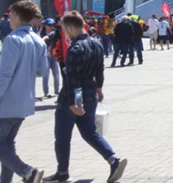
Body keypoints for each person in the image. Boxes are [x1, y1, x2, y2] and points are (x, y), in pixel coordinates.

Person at [43, 11, 126, 183]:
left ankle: (63, 172)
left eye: (65, 29)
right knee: (90, 132)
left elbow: (73, 79)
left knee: (62, 137)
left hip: (72, 98)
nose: (64, 33)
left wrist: (75, 102)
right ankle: (113, 159)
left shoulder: (75, 48)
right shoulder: (96, 44)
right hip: (91, 93)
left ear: (71, 27)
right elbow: (100, 70)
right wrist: (99, 88)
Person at [0, 1, 47, 183]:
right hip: (25, 102)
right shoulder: (37, 40)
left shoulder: (13, 39)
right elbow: (42, 72)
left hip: (7, 102)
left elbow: (4, 74)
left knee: (4, 145)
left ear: (17, 15)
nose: (9, 17)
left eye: (11, 14)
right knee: (7, 145)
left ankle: (27, 171)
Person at [40, 19, 61, 98]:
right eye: (49, 25)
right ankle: (46, 92)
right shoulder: (41, 34)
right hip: (45, 56)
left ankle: (57, 90)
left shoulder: (55, 33)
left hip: (53, 56)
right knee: (46, 74)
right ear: (45, 25)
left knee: (56, 74)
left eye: (52, 25)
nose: (50, 27)